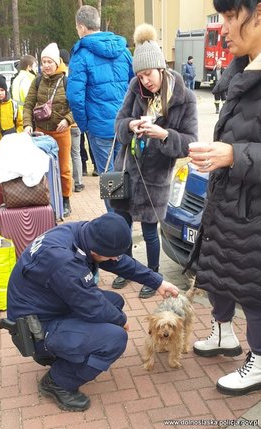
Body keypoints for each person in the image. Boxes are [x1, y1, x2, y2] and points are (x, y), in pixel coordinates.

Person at [7, 212, 179, 411]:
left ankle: (67, 351)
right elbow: (92, 305)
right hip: (34, 328)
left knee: (114, 302)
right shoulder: (64, 262)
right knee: (115, 338)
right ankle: (57, 382)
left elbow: (119, 262)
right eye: (112, 253)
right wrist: (121, 320)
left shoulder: (82, 233)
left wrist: (157, 282)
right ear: (96, 248)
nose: (115, 257)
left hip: (49, 305)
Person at [187, 0, 261, 396]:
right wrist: (218, 153)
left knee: (252, 286)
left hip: (252, 206)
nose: (225, 28)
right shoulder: (242, 68)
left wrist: (234, 154)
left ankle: (260, 360)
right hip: (232, 196)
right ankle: (223, 333)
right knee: (217, 269)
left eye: (232, 17)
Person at [111, 23, 198, 298]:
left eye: (148, 74)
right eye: (139, 75)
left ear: (160, 68)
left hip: (155, 176)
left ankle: (153, 276)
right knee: (121, 225)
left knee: (150, 231)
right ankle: (125, 269)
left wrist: (164, 134)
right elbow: (118, 124)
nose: (145, 81)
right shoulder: (134, 88)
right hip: (126, 169)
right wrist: (131, 125)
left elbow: (189, 143)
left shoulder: (185, 98)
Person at [67, 5, 134, 188]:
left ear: (81, 27)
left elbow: (74, 96)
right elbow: (136, 85)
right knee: (122, 174)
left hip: (99, 127)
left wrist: (84, 125)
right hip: (124, 124)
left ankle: (116, 216)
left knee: (110, 180)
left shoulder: (81, 55)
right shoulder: (124, 51)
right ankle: (124, 215)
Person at [23, 42, 74, 217]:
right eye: (43, 62)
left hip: (61, 133)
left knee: (64, 168)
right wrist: (27, 124)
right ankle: (45, 200)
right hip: (41, 133)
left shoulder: (67, 82)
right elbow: (28, 104)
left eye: (49, 62)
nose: (46, 65)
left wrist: (67, 121)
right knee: (40, 168)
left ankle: (65, 200)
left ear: (57, 62)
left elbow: (77, 106)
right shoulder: (37, 81)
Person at [59, 48, 85, 193]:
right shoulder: (75, 73)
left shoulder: (61, 77)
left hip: (65, 122)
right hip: (76, 122)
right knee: (76, 153)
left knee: (64, 155)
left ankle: (66, 183)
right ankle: (79, 182)